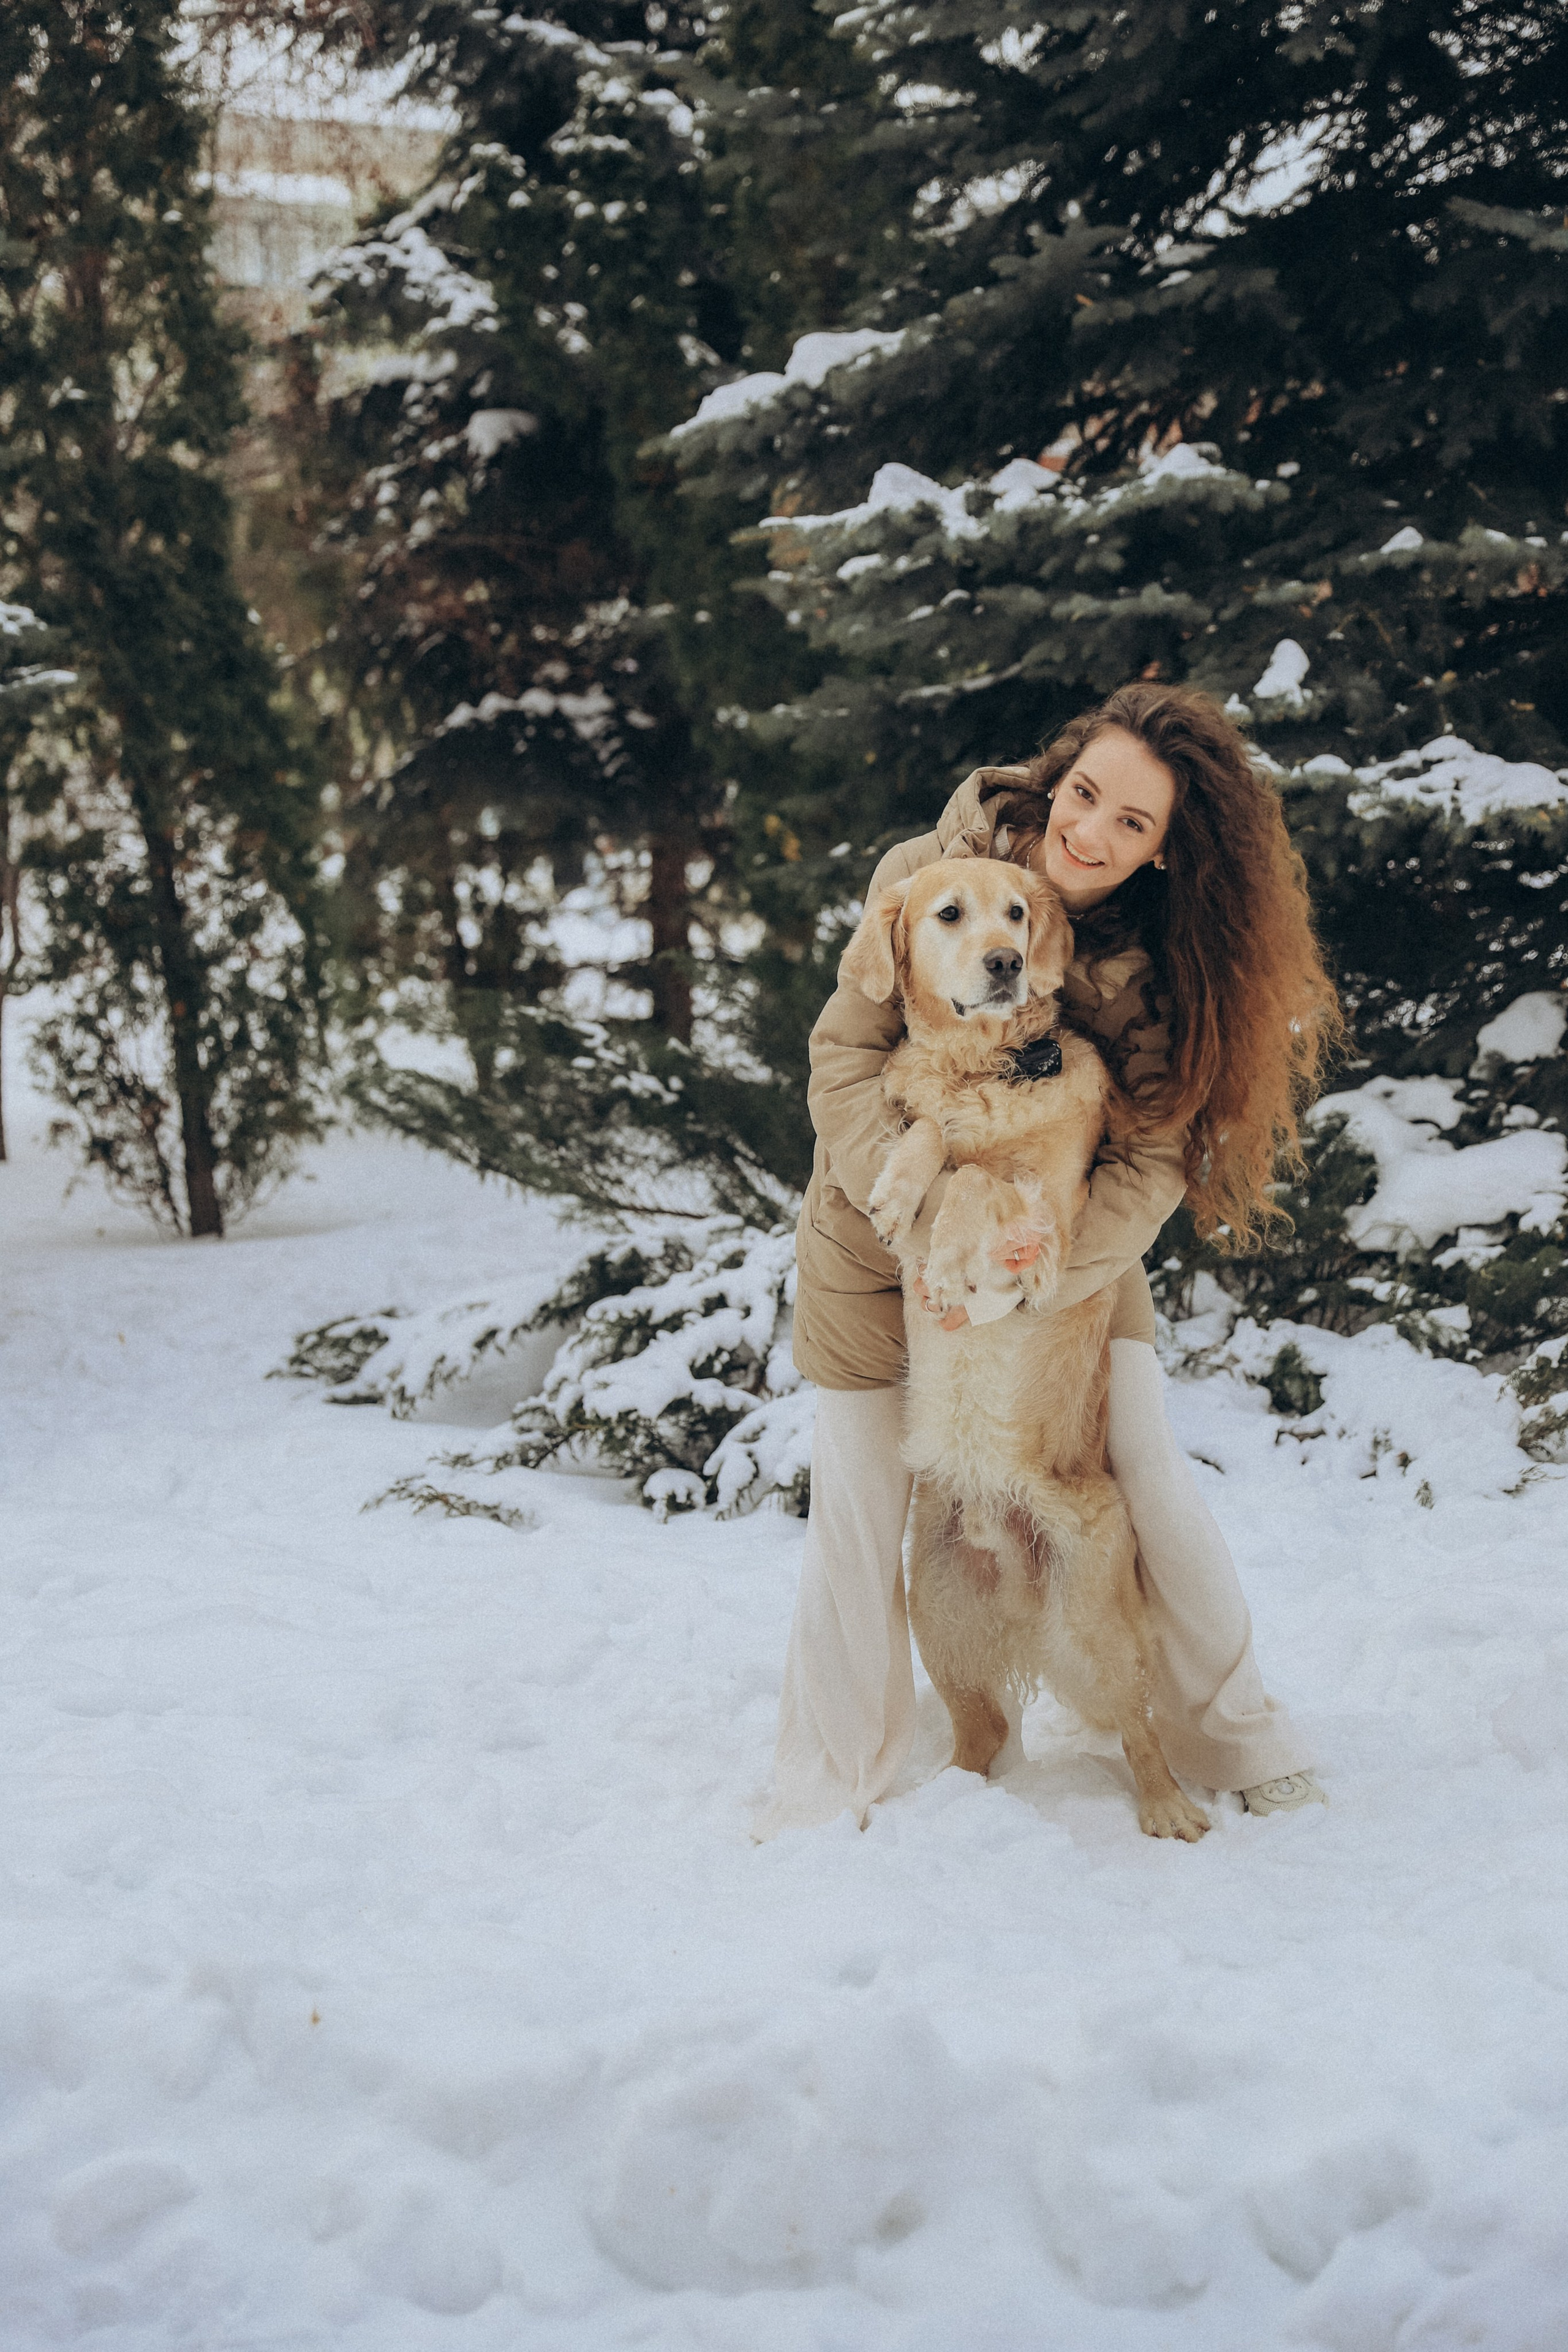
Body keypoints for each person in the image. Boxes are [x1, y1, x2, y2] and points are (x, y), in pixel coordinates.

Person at [759, 682, 1343, 1837]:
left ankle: (1235, 1735)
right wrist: (938, 1222)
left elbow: (1156, 1159)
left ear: (1164, 849)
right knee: (860, 1517)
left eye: (1133, 823)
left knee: (1149, 1481)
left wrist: (1040, 1276)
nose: (1092, 833)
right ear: (1055, 778)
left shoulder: (1161, 965)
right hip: (875, 1246)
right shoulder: (923, 875)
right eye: (1085, 796)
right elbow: (841, 1060)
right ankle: (831, 1778)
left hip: (1070, 1256)